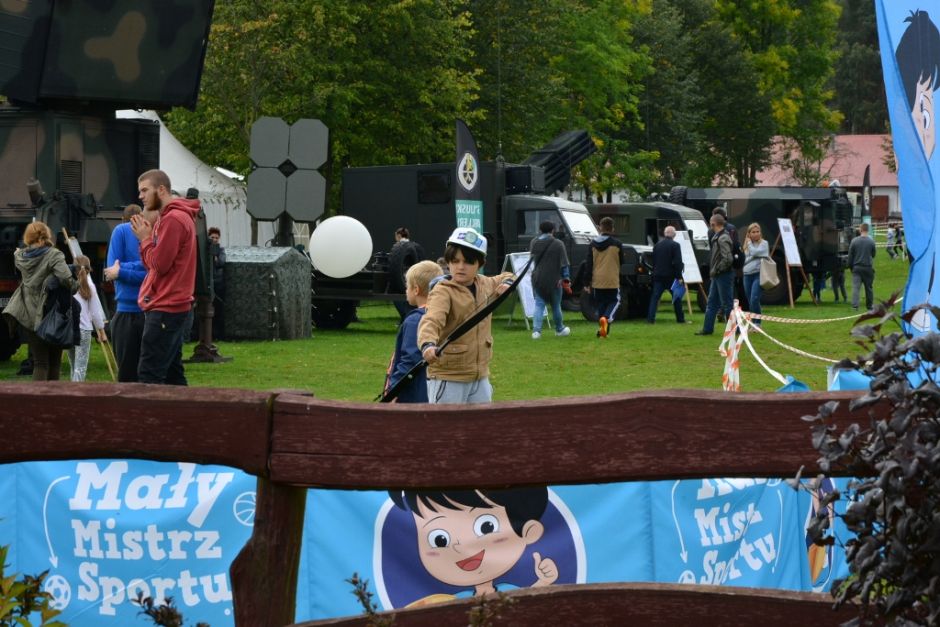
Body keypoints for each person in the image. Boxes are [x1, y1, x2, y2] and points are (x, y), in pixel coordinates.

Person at [388, 487, 557, 603]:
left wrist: (543, 582)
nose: (460, 546)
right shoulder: (453, 601)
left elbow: (523, 604)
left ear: (529, 532)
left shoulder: (508, 591)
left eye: (487, 526)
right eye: (439, 539)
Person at [417, 227, 514, 404]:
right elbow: (432, 320)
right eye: (455, 261)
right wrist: (428, 344)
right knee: (447, 423)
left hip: (480, 377)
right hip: (449, 377)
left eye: (468, 262)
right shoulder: (443, 291)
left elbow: (509, 275)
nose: (460, 267)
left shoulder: (484, 283)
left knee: (481, 422)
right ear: (448, 262)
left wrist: (507, 283)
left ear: (480, 264)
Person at [130, 169, 199, 385]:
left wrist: (145, 239)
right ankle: (182, 408)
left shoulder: (173, 219)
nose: (140, 196)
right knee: (172, 374)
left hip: (166, 308)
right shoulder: (170, 218)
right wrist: (148, 239)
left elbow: (160, 265)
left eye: (144, 190)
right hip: (171, 306)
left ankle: (150, 409)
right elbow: (153, 264)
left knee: (149, 375)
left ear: (161, 190)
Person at [2, 221, 79, 380]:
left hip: (29, 315)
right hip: (51, 313)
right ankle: (52, 396)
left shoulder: (20, 257)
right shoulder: (54, 255)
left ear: (28, 237)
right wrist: (76, 285)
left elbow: (21, 253)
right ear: (46, 235)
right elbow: (66, 279)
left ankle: (38, 396)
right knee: (54, 362)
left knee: (40, 362)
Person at [385, 260, 443, 403]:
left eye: (407, 286)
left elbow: (410, 360)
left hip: (413, 396)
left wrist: (393, 391)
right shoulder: (442, 316)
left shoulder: (415, 320)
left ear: (416, 289)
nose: (406, 290)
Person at [104, 204, 147, 382]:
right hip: (136, 311)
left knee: (132, 375)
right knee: (142, 374)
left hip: (136, 311)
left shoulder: (121, 231)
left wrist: (122, 270)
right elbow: (110, 271)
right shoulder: (122, 231)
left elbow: (154, 270)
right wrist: (142, 267)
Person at [528, 220, 571, 339]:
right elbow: (564, 264)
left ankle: (536, 332)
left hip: (538, 278)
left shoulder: (534, 242)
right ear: (553, 230)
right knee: (556, 305)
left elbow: (532, 259)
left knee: (539, 305)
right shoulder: (559, 244)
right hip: (555, 280)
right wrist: (566, 279)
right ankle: (559, 329)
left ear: (540, 230)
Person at [68, 255, 107, 382]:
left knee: (73, 366)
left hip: (70, 329)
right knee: (80, 367)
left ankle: (71, 390)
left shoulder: (69, 284)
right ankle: (76, 391)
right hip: (84, 330)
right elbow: (95, 312)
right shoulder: (90, 286)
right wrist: (101, 331)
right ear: (89, 269)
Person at [583, 216, 623, 338]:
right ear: (612, 229)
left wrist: (586, 282)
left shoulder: (592, 244)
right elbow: (622, 261)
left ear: (600, 228)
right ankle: (607, 318)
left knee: (601, 304)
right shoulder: (617, 244)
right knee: (615, 301)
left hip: (597, 280)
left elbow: (588, 264)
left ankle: (603, 332)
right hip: (612, 279)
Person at [696, 214, 734, 336]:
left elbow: (728, 258)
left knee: (727, 304)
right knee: (712, 302)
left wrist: (717, 269)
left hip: (723, 275)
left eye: (710, 224)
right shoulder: (719, 236)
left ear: (713, 224)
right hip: (717, 275)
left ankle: (734, 330)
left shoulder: (723, 238)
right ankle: (707, 329)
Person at [647, 225, 685, 324]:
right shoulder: (675, 245)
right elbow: (677, 262)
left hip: (658, 275)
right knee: (676, 298)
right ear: (674, 235)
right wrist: (679, 276)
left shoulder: (657, 245)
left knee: (655, 298)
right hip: (671, 276)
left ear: (664, 234)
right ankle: (680, 319)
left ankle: (650, 319)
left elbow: (654, 261)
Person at [388, 227, 426, 322]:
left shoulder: (399, 247)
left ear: (398, 235)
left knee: (397, 299)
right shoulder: (415, 247)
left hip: (402, 280)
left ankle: (404, 317)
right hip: (414, 280)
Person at [741, 223, 769, 326]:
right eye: (753, 232)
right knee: (750, 301)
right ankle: (753, 323)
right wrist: (753, 256)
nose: (756, 234)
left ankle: (758, 323)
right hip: (747, 275)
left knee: (754, 299)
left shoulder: (764, 243)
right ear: (749, 234)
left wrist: (749, 245)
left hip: (758, 274)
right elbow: (743, 260)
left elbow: (755, 252)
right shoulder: (745, 246)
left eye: (758, 231)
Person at [848, 222, 876, 311]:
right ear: (868, 230)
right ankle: (869, 306)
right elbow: (873, 254)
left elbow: (850, 256)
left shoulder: (854, 241)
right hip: (867, 267)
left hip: (857, 267)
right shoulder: (871, 241)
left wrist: (851, 267)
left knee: (856, 288)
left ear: (860, 229)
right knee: (869, 288)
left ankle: (855, 306)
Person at [208, 226, 226, 339]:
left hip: (218, 283)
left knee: (218, 309)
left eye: (216, 237)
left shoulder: (221, 250)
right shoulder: (205, 250)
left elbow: (221, 262)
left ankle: (217, 334)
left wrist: (215, 257)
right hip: (208, 283)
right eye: (212, 237)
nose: (214, 239)